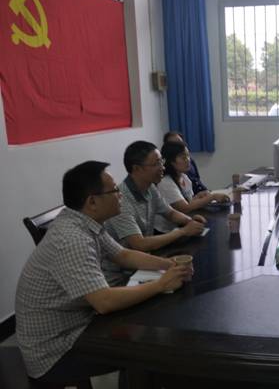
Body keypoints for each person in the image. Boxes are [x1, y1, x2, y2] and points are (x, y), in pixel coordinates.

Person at [15, 161, 192, 385]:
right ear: (92, 201)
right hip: (55, 350)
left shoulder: (84, 221)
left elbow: (123, 255)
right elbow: (104, 302)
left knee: (146, 332)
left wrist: (168, 264)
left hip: (79, 320)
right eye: (115, 190)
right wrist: (161, 284)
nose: (120, 195)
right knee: (146, 350)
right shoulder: (72, 239)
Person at [104, 141, 205, 285]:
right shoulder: (121, 200)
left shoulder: (150, 188)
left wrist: (190, 221)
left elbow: (170, 213)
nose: (163, 167)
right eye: (156, 163)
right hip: (121, 276)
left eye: (161, 161)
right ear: (137, 169)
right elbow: (140, 244)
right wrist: (182, 232)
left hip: (144, 264)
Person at [155, 141, 229, 233]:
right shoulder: (165, 182)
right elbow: (184, 208)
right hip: (166, 231)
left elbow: (189, 203)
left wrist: (198, 196)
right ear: (171, 161)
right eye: (183, 157)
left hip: (182, 225)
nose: (188, 160)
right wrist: (212, 197)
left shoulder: (184, 178)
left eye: (188, 156)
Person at [164, 131, 208, 195]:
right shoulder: (166, 181)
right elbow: (184, 202)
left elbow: (198, 181)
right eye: (173, 144)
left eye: (180, 142)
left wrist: (207, 194)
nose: (187, 160)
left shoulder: (185, 176)